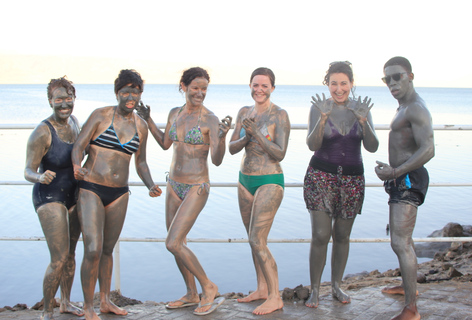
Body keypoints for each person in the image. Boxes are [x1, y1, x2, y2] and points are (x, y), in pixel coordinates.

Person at [136, 67, 231, 316]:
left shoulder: (210, 119)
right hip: (173, 185)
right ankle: (190, 293)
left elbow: (218, 160)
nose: (200, 93)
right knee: (179, 243)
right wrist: (147, 119)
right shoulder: (174, 114)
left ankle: (208, 287)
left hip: (197, 186)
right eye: (196, 88)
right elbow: (165, 144)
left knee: (173, 242)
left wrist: (221, 136)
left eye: (204, 89)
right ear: (184, 86)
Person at [71, 69, 162, 320]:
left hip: (120, 193)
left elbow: (140, 162)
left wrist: (150, 185)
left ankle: (105, 301)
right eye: (125, 91)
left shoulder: (141, 126)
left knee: (108, 250)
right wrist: (77, 166)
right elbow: (79, 145)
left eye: (135, 91)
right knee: (93, 248)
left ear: (140, 94)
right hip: (91, 187)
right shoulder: (100, 115)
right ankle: (88, 306)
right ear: (117, 93)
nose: (130, 96)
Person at [303, 61, 379, 308]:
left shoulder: (361, 109)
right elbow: (312, 144)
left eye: (343, 83)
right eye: (333, 83)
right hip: (320, 177)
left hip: (352, 179)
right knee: (321, 235)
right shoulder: (319, 107)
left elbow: (373, 146)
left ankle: (336, 285)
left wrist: (364, 121)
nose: (338, 89)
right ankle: (315, 289)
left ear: (351, 84)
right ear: (327, 85)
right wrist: (322, 119)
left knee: (343, 236)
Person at [375, 56, 434, 320]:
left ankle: (412, 308)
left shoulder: (416, 108)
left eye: (397, 76)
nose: (392, 83)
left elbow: (428, 149)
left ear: (410, 76)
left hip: (409, 179)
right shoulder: (403, 107)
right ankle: (407, 287)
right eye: (387, 78)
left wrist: (397, 171)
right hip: (400, 179)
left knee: (400, 242)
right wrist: (391, 172)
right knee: (402, 241)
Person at [228, 67, 290, 315]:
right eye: (256, 85)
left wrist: (256, 134)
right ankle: (262, 289)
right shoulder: (244, 112)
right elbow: (232, 148)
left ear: (272, 88)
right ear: (250, 86)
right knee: (252, 241)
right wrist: (245, 137)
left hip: (270, 180)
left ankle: (276, 296)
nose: (259, 89)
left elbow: (280, 152)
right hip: (245, 181)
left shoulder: (280, 115)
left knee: (257, 239)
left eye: (264, 85)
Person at [24, 76, 84, 320]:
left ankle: (66, 303)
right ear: (50, 101)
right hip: (48, 197)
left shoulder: (75, 123)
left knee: (70, 255)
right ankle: (47, 312)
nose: (64, 104)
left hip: (73, 194)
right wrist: (39, 177)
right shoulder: (42, 131)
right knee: (58, 259)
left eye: (68, 98)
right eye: (58, 99)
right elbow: (28, 170)